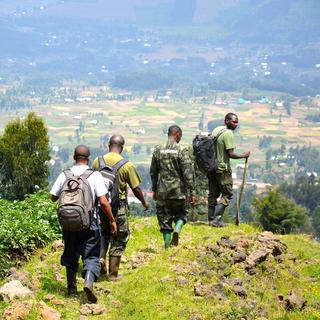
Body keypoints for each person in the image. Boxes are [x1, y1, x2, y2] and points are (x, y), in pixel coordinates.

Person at [50, 145, 117, 303]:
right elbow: (103, 201)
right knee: (92, 256)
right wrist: (112, 220)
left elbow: (53, 196)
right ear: (88, 159)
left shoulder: (65, 174)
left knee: (70, 255)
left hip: (68, 224)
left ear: (74, 157)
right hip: (89, 223)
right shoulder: (94, 175)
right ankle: (88, 281)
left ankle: (71, 289)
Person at [92, 135, 149, 281]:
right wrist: (143, 202)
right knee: (119, 238)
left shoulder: (97, 161)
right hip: (119, 208)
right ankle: (113, 274)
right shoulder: (126, 165)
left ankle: (100, 263)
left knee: (103, 235)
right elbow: (135, 188)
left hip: (101, 206)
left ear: (108, 145)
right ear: (122, 148)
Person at [150, 125, 195, 249]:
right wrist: (192, 191)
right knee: (182, 213)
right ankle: (178, 228)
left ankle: (167, 246)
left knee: (164, 219)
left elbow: (153, 172)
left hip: (163, 192)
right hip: (179, 192)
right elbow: (188, 172)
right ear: (178, 135)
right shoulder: (182, 150)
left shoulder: (158, 150)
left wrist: (154, 189)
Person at [208, 113, 250, 227]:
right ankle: (216, 220)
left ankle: (211, 218)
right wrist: (243, 155)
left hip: (211, 167)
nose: (235, 124)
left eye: (237, 122)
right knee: (227, 193)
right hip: (222, 169)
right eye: (233, 121)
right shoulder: (228, 134)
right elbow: (230, 154)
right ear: (226, 121)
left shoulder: (217, 130)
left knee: (213, 193)